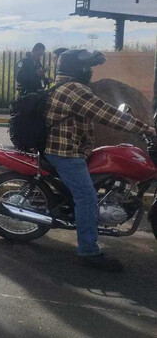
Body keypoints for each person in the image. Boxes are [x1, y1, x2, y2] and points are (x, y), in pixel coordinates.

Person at [44, 49, 156, 271]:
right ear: (78, 69)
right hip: (65, 153)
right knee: (86, 197)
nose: (90, 72)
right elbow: (107, 114)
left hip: (73, 149)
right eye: (88, 68)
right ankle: (88, 251)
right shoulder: (74, 89)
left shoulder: (63, 86)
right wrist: (147, 129)